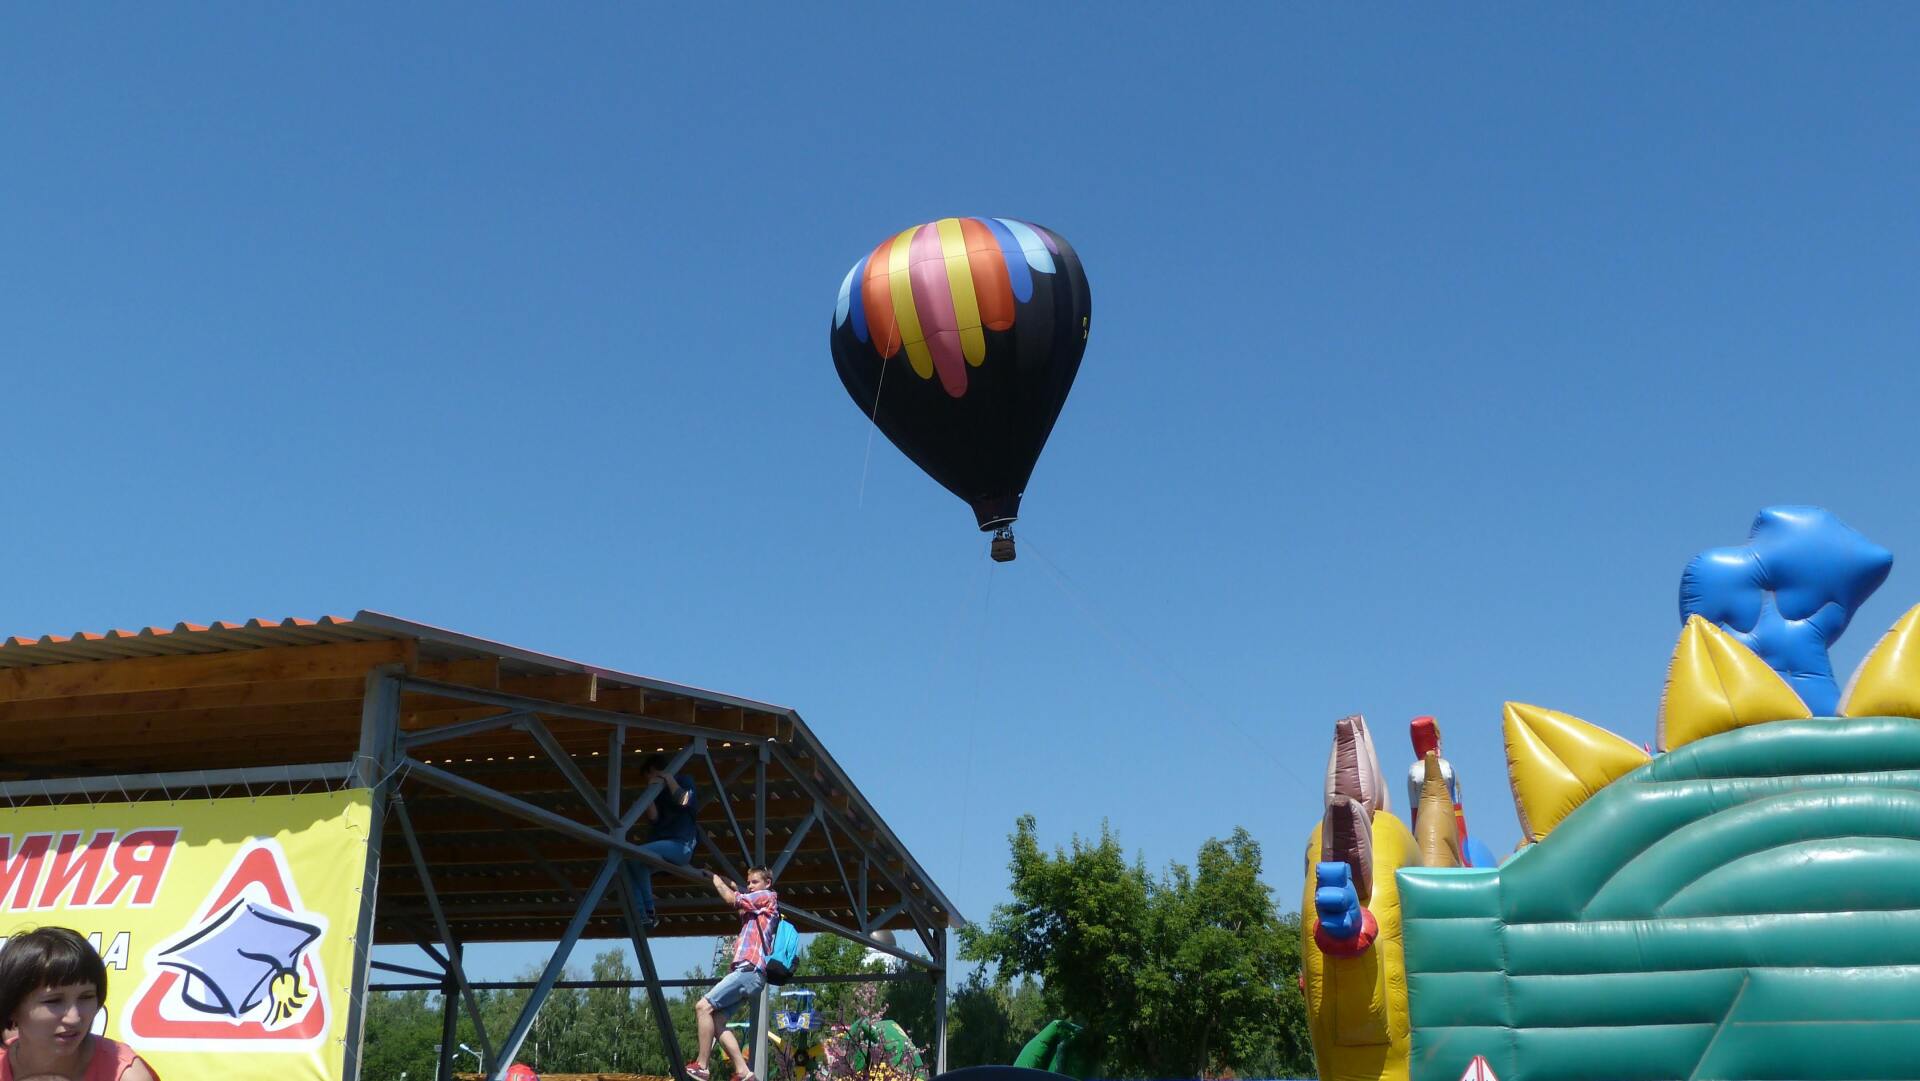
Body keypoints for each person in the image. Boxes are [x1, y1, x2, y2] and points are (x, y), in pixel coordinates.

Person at [0, 927, 157, 1081]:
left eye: (86, 997)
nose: (74, 1018)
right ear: (12, 1006)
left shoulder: (127, 1075)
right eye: (54, 1000)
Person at [687, 867, 778, 1081]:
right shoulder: (757, 909)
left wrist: (716, 881)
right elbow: (740, 894)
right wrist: (728, 881)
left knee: (702, 1007)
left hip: (748, 969)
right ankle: (743, 1071)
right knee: (717, 1020)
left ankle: (702, 1065)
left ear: (767, 883)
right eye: (749, 882)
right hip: (752, 976)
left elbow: (733, 899)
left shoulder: (767, 897)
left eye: (755, 882)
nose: (751, 886)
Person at [634, 754, 700, 927]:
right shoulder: (657, 792)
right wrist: (649, 792)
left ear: (653, 771)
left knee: (635, 856)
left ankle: (648, 911)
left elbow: (684, 801)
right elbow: (654, 818)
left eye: (648, 776)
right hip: (663, 845)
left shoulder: (683, 781)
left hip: (681, 845)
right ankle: (642, 914)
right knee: (632, 864)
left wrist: (668, 779)